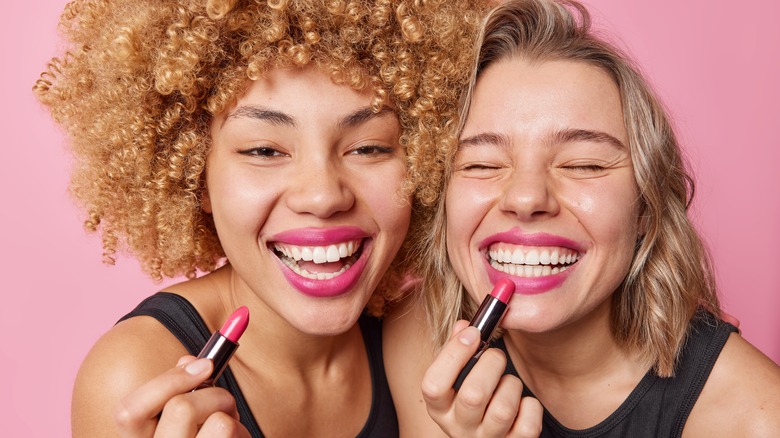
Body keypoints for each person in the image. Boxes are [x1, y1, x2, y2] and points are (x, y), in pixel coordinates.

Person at [33, 0, 480, 436]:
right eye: (264, 150)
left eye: (368, 147)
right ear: (196, 173)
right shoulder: (136, 377)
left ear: (426, 159)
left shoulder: (424, 334)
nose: (323, 196)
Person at [384, 0, 780, 436]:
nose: (527, 197)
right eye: (482, 164)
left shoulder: (757, 419)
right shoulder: (417, 333)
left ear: (645, 207)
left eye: (583, 164)